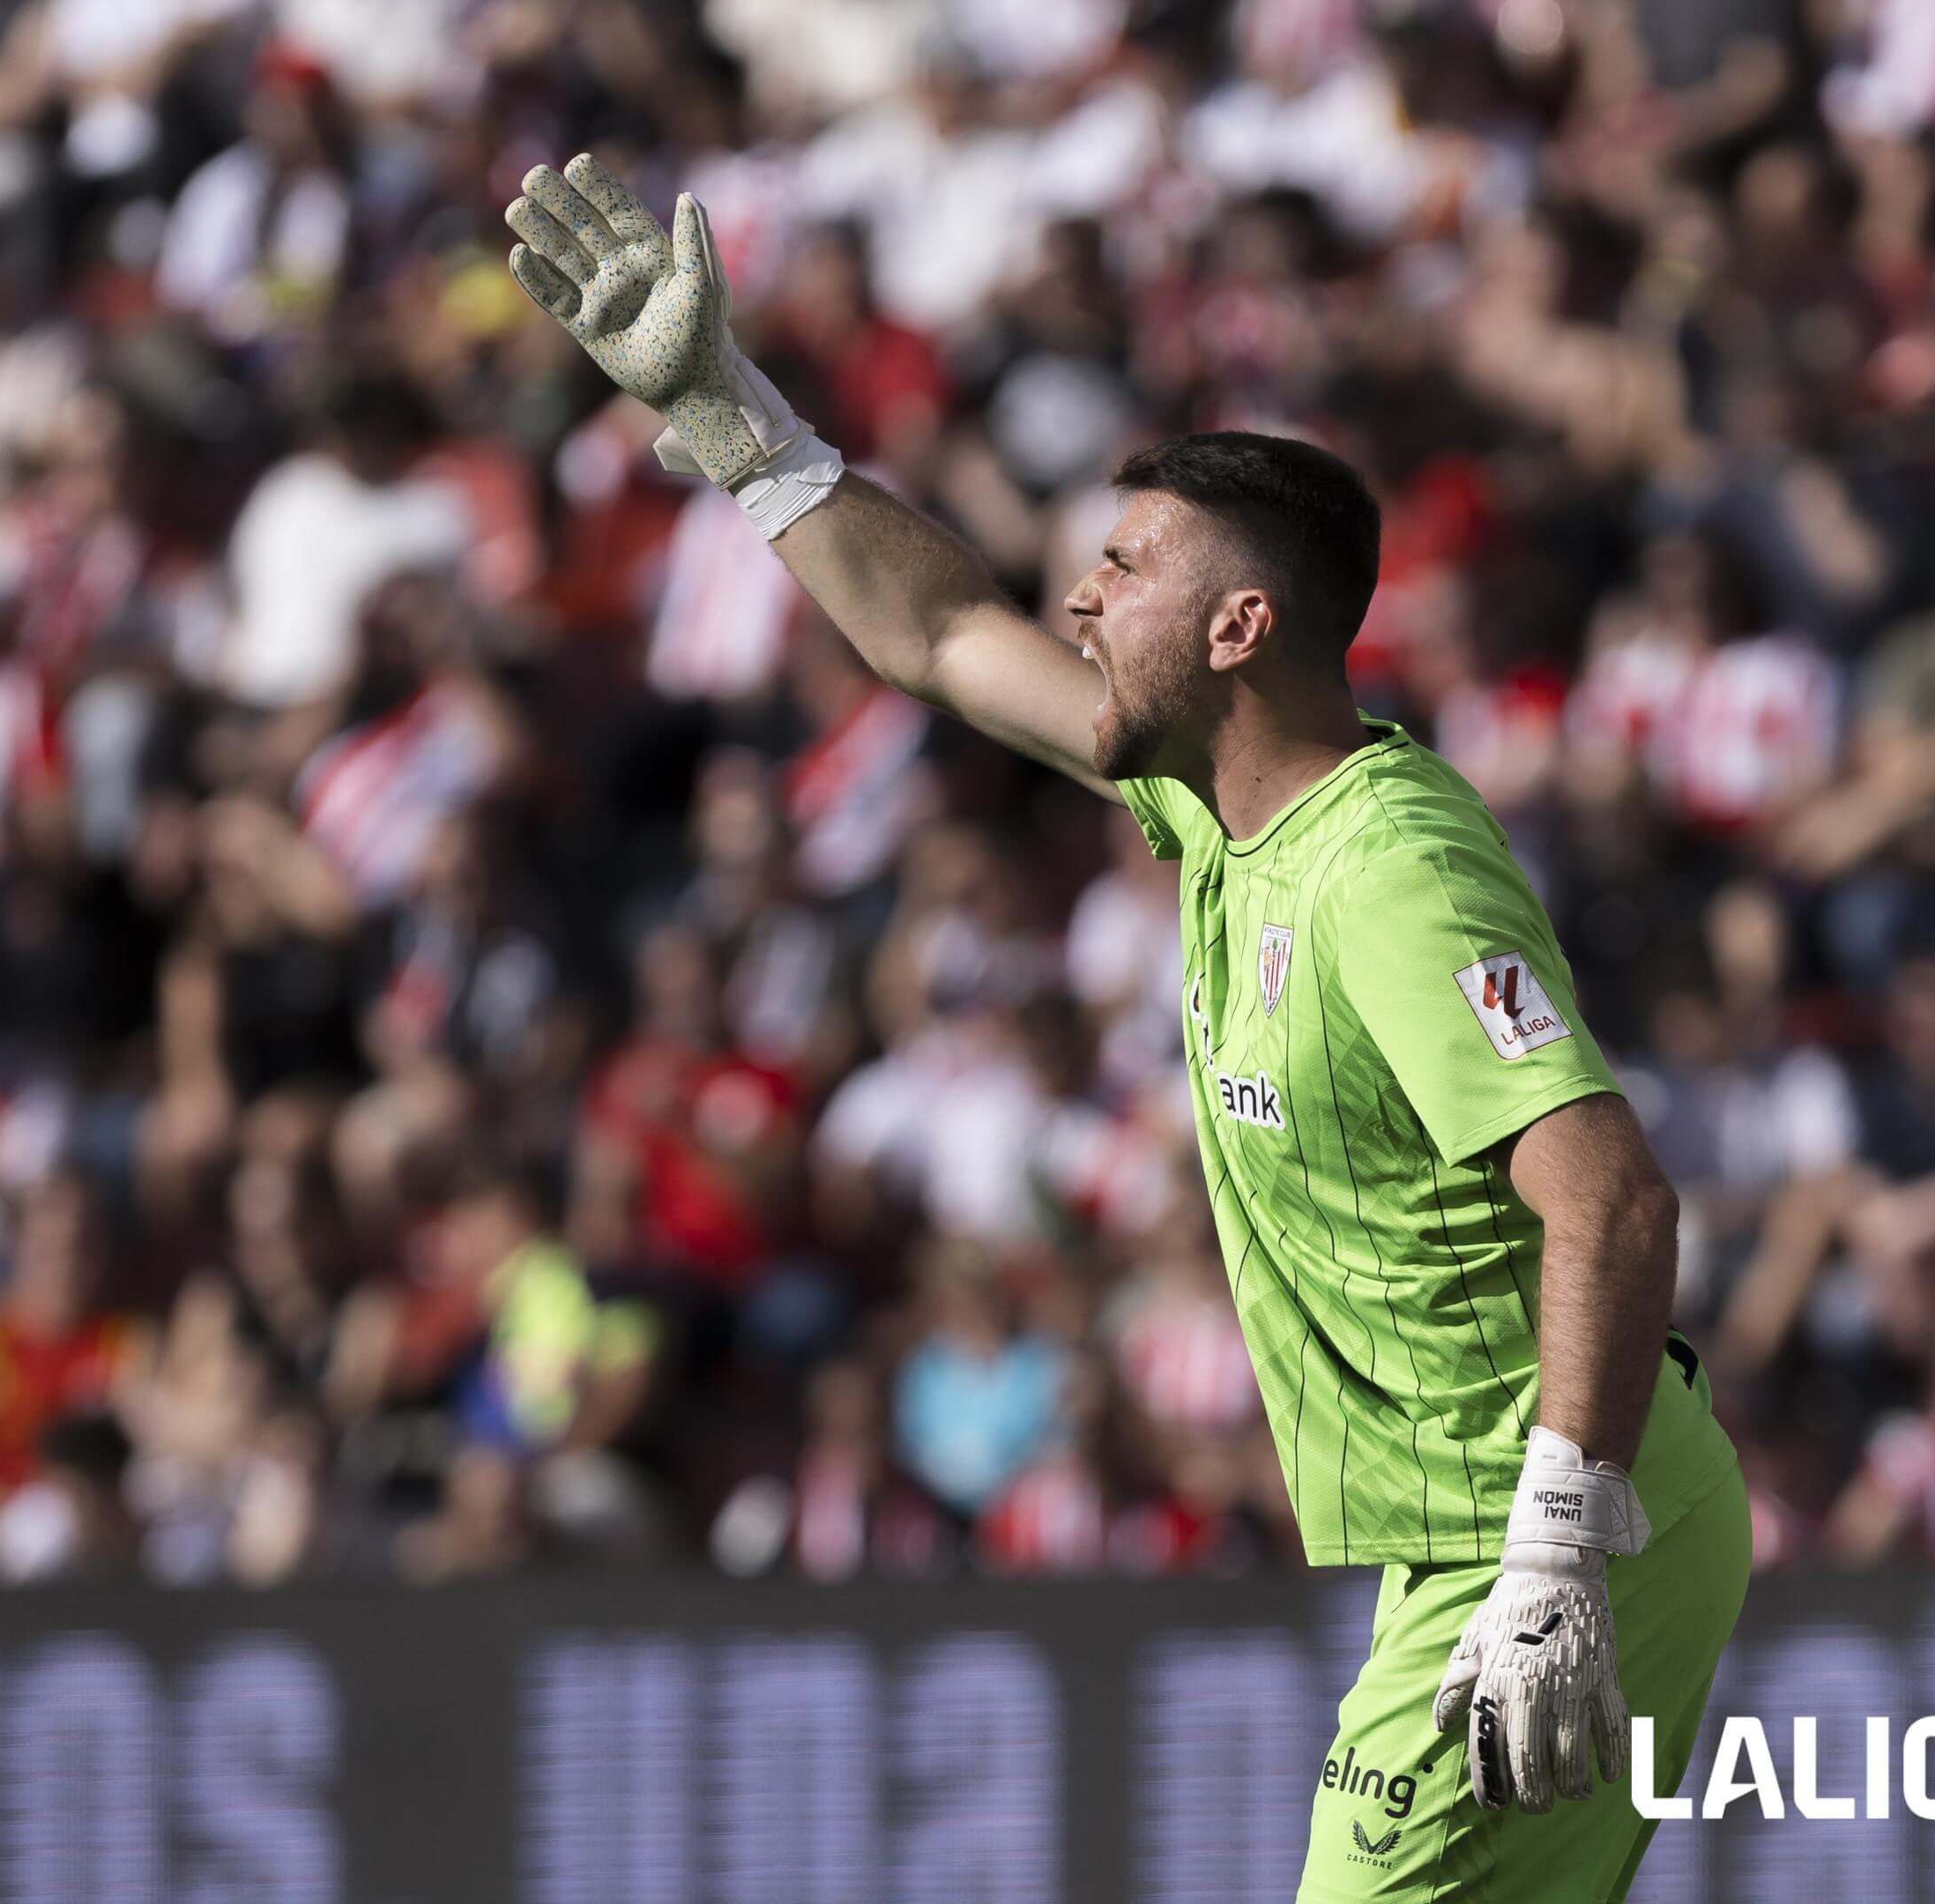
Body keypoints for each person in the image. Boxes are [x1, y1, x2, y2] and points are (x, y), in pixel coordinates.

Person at [505, 155, 1746, 1902]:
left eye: (1125, 569)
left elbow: (1615, 1198)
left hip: (1548, 1530)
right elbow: (938, 634)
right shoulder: (1213, 807)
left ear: (1242, 628)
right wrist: (733, 414)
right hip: (1517, 1527)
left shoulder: (1386, 872)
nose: (1080, 600)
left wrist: (1558, 1554)